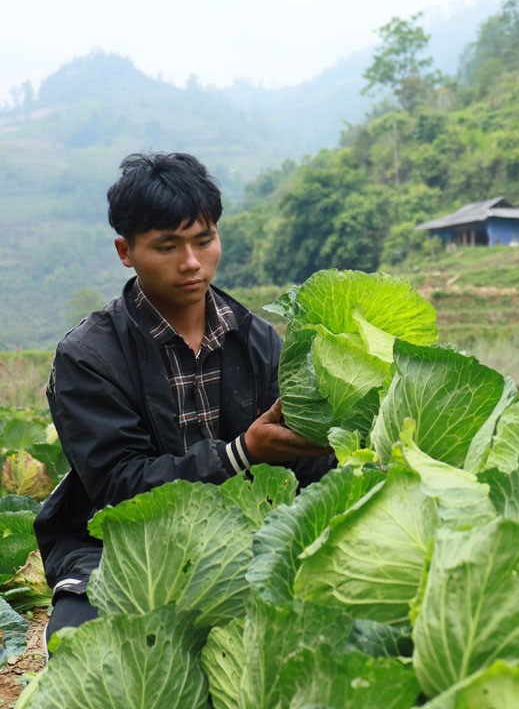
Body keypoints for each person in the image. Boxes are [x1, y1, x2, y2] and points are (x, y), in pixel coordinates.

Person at [34, 152, 335, 645]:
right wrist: (242, 454)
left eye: (204, 240)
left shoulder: (258, 340)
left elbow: (301, 467)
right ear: (125, 252)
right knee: (86, 654)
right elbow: (119, 486)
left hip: (244, 537)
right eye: (167, 246)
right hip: (121, 548)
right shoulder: (88, 357)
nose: (192, 263)